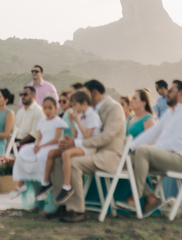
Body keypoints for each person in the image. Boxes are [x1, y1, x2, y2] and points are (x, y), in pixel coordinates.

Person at [47, 79, 125, 223]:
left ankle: (77, 210)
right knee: (58, 160)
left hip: (107, 155)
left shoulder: (114, 108)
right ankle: (63, 205)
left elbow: (106, 137)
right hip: (90, 150)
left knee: (72, 161)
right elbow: (83, 133)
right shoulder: (89, 110)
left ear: (94, 93)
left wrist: (75, 143)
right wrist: (70, 140)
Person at [120, 80, 182, 216]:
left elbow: (176, 144)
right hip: (165, 157)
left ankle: (135, 197)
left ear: (180, 93)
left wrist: (151, 150)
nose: (167, 94)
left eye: (170, 91)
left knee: (143, 151)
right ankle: (151, 198)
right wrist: (129, 147)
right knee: (125, 160)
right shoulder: (171, 112)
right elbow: (153, 132)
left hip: (181, 160)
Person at [38, 90, 99, 204]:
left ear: (84, 103)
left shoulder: (93, 116)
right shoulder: (81, 116)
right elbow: (76, 135)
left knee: (66, 154)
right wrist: (72, 122)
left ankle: (67, 186)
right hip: (80, 144)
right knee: (52, 152)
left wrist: (77, 121)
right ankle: (46, 183)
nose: (73, 108)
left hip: (89, 147)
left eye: (75, 105)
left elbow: (87, 136)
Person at [13, 96, 64, 196]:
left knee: (41, 156)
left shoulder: (58, 121)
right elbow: (39, 137)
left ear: (55, 108)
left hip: (52, 146)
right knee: (23, 152)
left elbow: (56, 139)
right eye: (45, 108)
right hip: (42, 145)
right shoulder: (42, 121)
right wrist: (36, 145)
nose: (47, 111)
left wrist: (41, 146)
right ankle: (21, 183)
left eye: (50, 108)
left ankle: (44, 183)